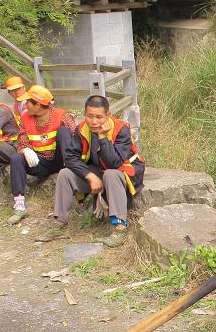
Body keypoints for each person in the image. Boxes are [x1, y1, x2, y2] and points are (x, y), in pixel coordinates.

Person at [38, 95, 144, 247]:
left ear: (108, 115)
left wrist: (102, 137)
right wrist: (90, 176)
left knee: (110, 174)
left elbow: (114, 162)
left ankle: (120, 228)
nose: (94, 121)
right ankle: (61, 224)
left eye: (99, 117)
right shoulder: (82, 128)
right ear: (84, 114)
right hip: (99, 169)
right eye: (90, 116)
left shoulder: (121, 129)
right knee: (65, 174)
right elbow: (70, 157)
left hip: (125, 171)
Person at [6, 85, 74, 224]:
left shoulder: (62, 116)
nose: (25, 105)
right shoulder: (25, 117)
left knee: (63, 132)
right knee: (16, 158)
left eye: (28, 102)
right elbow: (22, 139)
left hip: (60, 159)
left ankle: (71, 173)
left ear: (38, 105)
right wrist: (25, 149)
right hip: (39, 161)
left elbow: (75, 138)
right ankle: (19, 204)